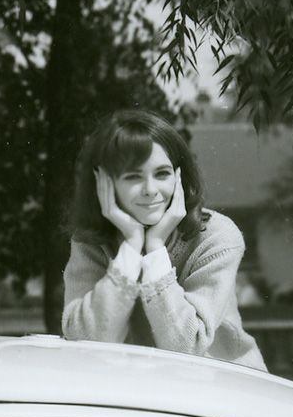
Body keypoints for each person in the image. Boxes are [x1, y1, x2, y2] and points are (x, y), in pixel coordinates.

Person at [60, 109, 266, 369]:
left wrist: (155, 249)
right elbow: (86, 341)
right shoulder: (91, 240)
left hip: (225, 389)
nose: (150, 190)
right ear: (105, 184)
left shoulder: (217, 237)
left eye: (162, 174)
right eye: (133, 176)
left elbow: (187, 345)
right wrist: (132, 248)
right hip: (147, 392)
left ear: (180, 176)